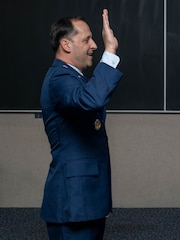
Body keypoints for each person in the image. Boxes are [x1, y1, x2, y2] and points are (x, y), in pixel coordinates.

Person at [40, 9, 123, 240]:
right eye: (86, 39)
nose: (94, 45)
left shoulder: (74, 78)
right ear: (66, 44)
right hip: (73, 203)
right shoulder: (59, 78)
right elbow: (91, 99)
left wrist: (100, 200)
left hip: (87, 200)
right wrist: (110, 52)